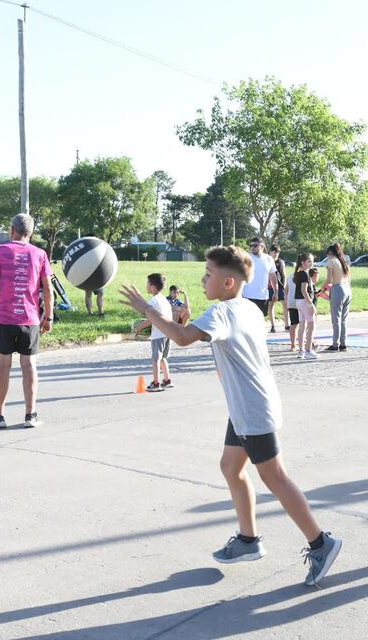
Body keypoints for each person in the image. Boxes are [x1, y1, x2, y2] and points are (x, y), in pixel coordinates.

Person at [117, 245, 342, 586]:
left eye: (209, 274)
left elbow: (180, 338)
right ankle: (248, 540)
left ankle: (321, 543)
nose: (204, 278)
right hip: (249, 404)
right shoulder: (248, 308)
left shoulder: (220, 314)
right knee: (230, 467)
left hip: (251, 408)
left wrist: (147, 309)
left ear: (228, 282)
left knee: (275, 478)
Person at [0, 213, 52, 429]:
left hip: (3, 319)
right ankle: (31, 415)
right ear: (30, 233)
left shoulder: (0, 251)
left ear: (12, 230)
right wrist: (47, 316)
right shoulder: (40, 254)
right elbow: (48, 288)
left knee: (3, 366)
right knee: (29, 365)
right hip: (29, 320)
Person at [133, 273, 174, 392]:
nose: (146, 285)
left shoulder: (153, 301)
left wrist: (139, 327)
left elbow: (151, 319)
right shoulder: (164, 300)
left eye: (147, 283)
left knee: (156, 359)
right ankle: (167, 380)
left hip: (158, 334)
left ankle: (156, 383)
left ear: (152, 286)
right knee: (163, 358)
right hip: (168, 333)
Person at [324, 243, 352, 351]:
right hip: (347, 289)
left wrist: (322, 288)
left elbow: (329, 280)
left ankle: (335, 344)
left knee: (336, 318)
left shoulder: (332, 261)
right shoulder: (344, 262)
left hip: (338, 288)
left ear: (330, 253)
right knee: (343, 319)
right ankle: (343, 344)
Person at [242, 237, 278, 322]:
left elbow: (272, 276)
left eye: (255, 245)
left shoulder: (269, 259)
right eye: (251, 245)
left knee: (260, 320)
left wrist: (276, 292)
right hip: (248, 295)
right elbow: (239, 275)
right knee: (249, 321)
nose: (252, 247)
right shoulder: (246, 258)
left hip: (263, 296)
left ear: (262, 246)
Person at [293, 253, 318, 359]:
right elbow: (304, 290)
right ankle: (308, 350)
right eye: (309, 261)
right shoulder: (304, 274)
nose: (311, 264)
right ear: (303, 263)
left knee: (302, 326)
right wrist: (310, 303)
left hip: (299, 301)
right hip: (304, 301)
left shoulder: (298, 273)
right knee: (311, 326)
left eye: (312, 261)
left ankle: (301, 350)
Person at [267, 244, 286, 333]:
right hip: (270, 287)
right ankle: (273, 325)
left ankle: (287, 324)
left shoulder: (280, 262)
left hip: (281, 286)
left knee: (285, 304)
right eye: (274, 252)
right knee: (271, 305)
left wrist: (284, 286)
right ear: (270, 252)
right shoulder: (267, 261)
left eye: (277, 252)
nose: (276, 254)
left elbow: (283, 274)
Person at [285, 268, 299, 352]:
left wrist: (287, 301)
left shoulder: (290, 276)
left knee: (293, 324)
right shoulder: (305, 275)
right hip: (301, 301)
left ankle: (293, 345)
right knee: (303, 324)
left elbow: (286, 289)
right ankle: (304, 343)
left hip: (291, 302)